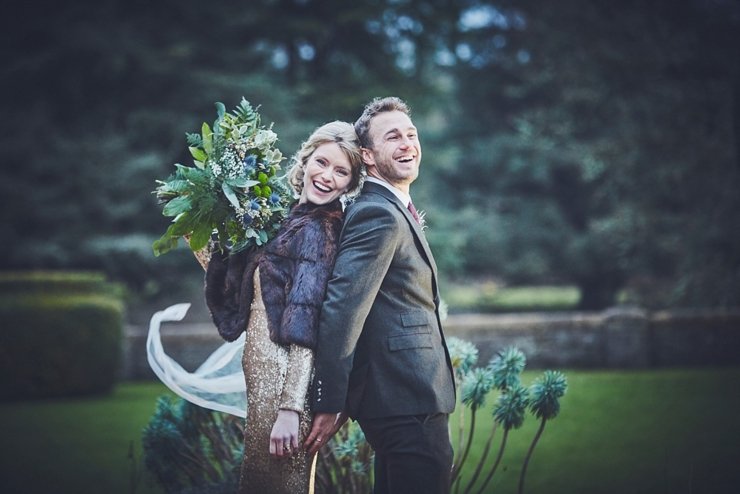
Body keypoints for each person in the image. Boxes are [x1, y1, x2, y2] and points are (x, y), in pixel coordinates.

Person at [196, 121, 364, 493]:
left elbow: (306, 324)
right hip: (261, 379)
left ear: (350, 184)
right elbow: (248, 286)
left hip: (284, 382)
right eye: (321, 163)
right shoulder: (285, 218)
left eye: (341, 172)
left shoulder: (319, 230)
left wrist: (290, 409)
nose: (326, 177)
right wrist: (205, 215)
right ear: (304, 162)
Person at [304, 97, 456, 494]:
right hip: (405, 398)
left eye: (411, 134)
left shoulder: (393, 207)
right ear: (368, 156)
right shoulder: (379, 213)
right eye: (393, 137)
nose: (408, 144)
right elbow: (342, 308)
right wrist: (329, 399)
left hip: (408, 398)